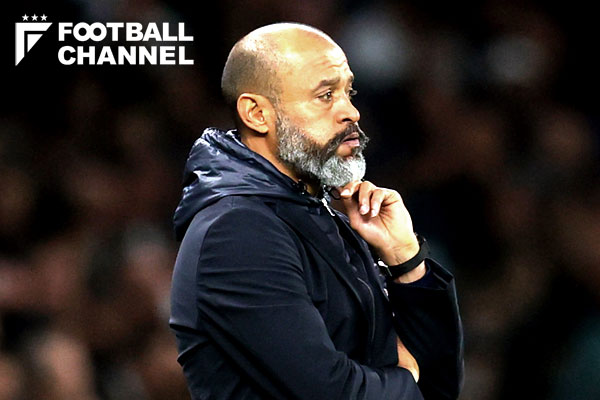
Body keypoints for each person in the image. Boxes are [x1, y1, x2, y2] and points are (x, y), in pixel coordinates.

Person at [170, 22, 463, 400]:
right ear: (257, 114)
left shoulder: (325, 216)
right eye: (325, 95)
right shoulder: (236, 231)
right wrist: (409, 375)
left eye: (348, 92)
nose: (352, 112)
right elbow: (331, 392)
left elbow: (439, 389)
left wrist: (406, 259)